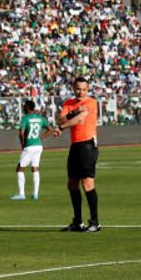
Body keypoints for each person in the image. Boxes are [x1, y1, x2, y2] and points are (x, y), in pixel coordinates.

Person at [57, 77, 100, 232]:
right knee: (72, 184)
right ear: (73, 88)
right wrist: (73, 111)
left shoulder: (91, 102)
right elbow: (60, 119)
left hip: (87, 145)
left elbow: (79, 120)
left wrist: (62, 128)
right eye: (77, 89)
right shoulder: (68, 103)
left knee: (87, 183)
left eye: (83, 89)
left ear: (87, 89)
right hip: (75, 146)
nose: (80, 92)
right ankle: (77, 221)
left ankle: (95, 222)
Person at [11, 100, 58, 200]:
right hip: (38, 146)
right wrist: (40, 137)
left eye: (24, 106)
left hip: (29, 146)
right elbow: (51, 129)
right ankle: (35, 194)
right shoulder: (40, 118)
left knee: (20, 168)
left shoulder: (25, 118)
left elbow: (21, 133)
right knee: (35, 168)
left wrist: (22, 144)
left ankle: (21, 194)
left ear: (28, 107)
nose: (23, 107)